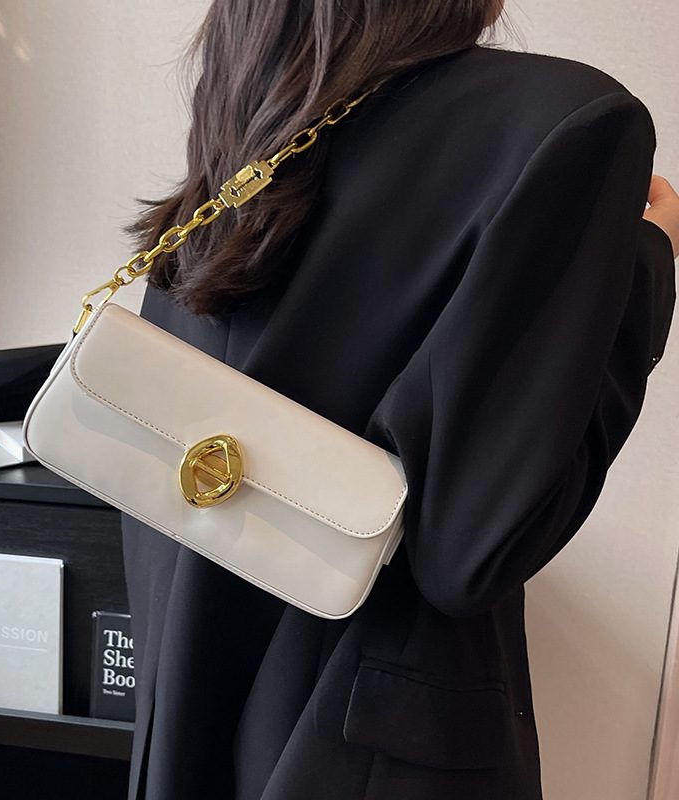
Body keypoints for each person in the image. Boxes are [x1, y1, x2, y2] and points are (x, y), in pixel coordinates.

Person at [119, 1, 679, 798]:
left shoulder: (253, 108)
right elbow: (473, 550)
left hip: (192, 706)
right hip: (363, 755)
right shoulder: (569, 122)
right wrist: (644, 267)